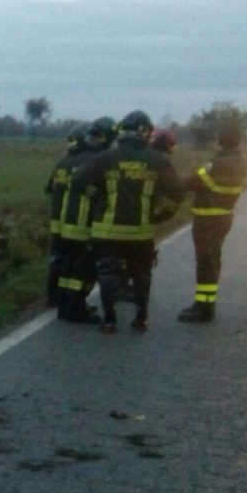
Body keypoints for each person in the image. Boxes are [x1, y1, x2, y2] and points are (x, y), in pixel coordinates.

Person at [71, 110, 185, 333]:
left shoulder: (105, 158)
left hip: (107, 231)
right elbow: (178, 191)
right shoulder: (157, 160)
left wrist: (96, 198)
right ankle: (141, 318)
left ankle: (109, 320)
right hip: (140, 232)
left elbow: (78, 181)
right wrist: (163, 215)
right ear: (146, 133)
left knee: (107, 273)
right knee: (141, 274)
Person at [176, 125, 247, 322]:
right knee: (212, 259)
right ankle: (206, 304)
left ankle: (204, 307)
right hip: (224, 215)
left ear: (221, 141)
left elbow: (192, 181)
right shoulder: (239, 161)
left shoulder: (219, 164)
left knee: (206, 262)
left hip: (208, 218)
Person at [56, 117, 115, 322]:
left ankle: (64, 307)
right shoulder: (99, 160)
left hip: (68, 223)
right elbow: (92, 188)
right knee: (84, 271)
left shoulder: (78, 157)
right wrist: (100, 198)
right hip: (85, 224)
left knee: (68, 266)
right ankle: (76, 310)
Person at [44, 127, 87, 307]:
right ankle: (69, 299)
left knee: (57, 259)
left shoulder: (62, 164)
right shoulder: (84, 164)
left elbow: (49, 189)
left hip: (56, 221)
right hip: (72, 220)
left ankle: (53, 296)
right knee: (74, 261)